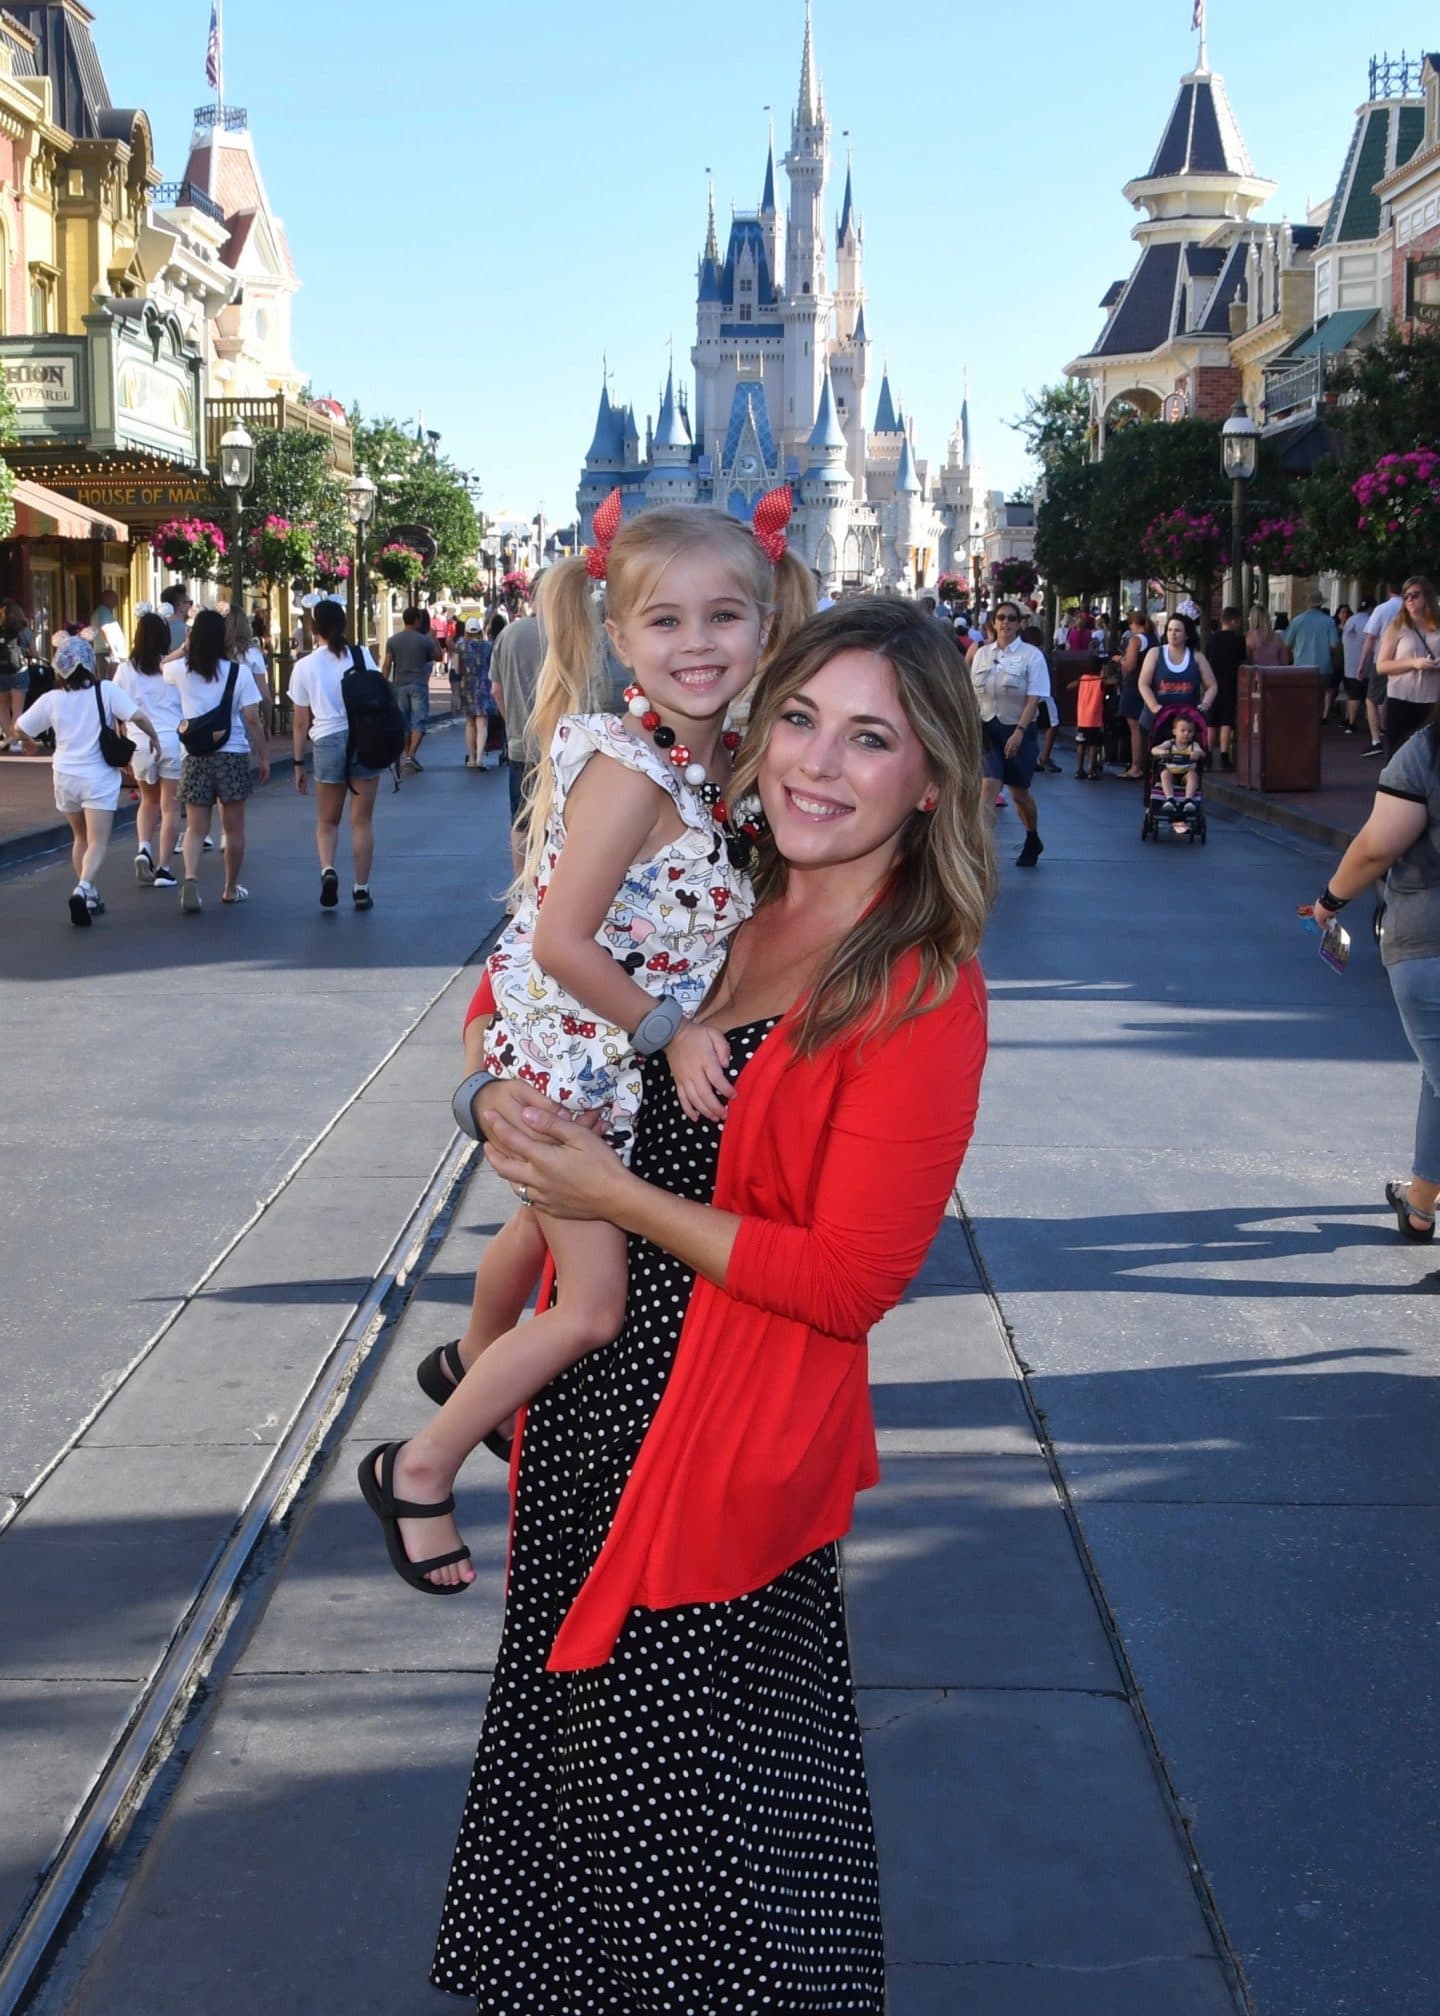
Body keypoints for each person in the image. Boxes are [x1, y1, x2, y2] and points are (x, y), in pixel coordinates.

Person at [423, 596, 992, 2010]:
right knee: (584, 1810)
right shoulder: (719, 879)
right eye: (798, 717)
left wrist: (617, 1203)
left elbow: (852, 1282)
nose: (815, 762)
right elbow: (518, 991)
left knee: (707, 1837)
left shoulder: (919, 985)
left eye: (872, 738)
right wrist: (486, 1090)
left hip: (723, 1458)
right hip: (591, 1427)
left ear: (931, 779)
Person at [359, 495, 814, 1594]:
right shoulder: (631, 771)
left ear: (765, 626)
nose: (696, 646)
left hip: (587, 1059)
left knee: (535, 1229)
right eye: (665, 624)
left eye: (722, 619)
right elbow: (560, 940)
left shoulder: (709, 763)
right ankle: (416, 1466)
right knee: (594, 1308)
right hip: (575, 1063)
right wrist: (674, 1031)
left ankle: (471, 1359)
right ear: (618, 639)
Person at [1312, 695, 1440, 1246]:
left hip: (1428, 940)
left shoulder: (1426, 753)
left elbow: (1375, 847)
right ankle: (1420, 1201)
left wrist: (1329, 902)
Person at [14, 635, 157, 926]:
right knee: (98, 841)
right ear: (90, 664)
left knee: (80, 838)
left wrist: (29, 742)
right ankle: (82, 888)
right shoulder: (104, 691)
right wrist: (154, 737)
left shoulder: (51, 699)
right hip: (98, 777)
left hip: (65, 776)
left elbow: (19, 727)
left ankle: (90, 894)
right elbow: (137, 716)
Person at [166, 607, 269, 913]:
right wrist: (262, 756)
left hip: (195, 755)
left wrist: (184, 647)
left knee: (196, 828)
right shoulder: (239, 673)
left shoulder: (182, 671)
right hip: (232, 753)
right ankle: (229, 888)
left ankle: (190, 878)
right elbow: (252, 719)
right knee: (234, 828)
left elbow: (161, 665)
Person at [290, 597, 384, 911]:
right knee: (362, 821)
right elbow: (380, 695)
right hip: (365, 739)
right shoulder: (361, 656)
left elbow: (301, 720)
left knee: (328, 821)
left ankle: (328, 869)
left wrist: (298, 762)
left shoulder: (304, 666)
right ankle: (361, 888)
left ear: (313, 627)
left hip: (327, 740)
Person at [970, 599, 1050, 864]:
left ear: (1019, 624)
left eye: (1011, 619)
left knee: (1019, 795)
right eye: (1001, 618)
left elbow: (1034, 697)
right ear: (993, 622)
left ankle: (1032, 836)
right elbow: (973, 693)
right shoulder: (983, 654)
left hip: (1018, 729)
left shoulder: (1031, 655)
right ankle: (979, 851)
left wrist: (1019, 731)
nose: (1005, 623)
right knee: (988, 787)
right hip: (988, 729)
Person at [115, 611, 183, 887]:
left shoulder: (125, 669)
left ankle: (144, 848)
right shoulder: (173, 667)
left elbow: (118, 708)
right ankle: (164, 868)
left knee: (148, 801)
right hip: (173, 740)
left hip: (140, 741)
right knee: (170, 808)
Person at [490, 572, 548, 875]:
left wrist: (513, 720)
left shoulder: (508, 634)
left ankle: (521, 890)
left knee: (522, 821)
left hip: (520, 744)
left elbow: (496, 690)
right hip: (562, 745)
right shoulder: (566, 633)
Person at [1374, 576, 1440, 759]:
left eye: (1415, 595)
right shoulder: (1397, 627)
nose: (1410, 600)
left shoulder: (1437, 627)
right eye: (1406, 596)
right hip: (1402, 699)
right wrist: (1413, 663)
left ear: (1427, 596)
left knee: (1431, 756)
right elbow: (1382, 666)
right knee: (1398, 755)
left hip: (1432, 700)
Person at [382, 606, 442, 773]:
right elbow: (439, 656)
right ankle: (411, 755)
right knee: (419, 720)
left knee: (404, 722)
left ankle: (406, 754)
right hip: (418, 684)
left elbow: (387, 665)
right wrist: (433, 638)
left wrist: (382, 684)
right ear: (417, 620)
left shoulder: (393, 640)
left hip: (399, 684)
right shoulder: (424, 640)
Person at [1138, 613, 1217, 732]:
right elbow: (1143, 684)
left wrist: (1205, 704)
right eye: (1169, 629)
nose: (1172, 633)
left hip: (1186, 725)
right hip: (1156, 723)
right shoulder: (1155, 653)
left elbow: (1212, 685)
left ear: (1187, 635)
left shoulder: (1197, 657)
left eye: (1177, 630)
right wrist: (1154, 707)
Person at [1359, 581, 1404, 757]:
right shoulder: (1410, 609)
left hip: (1383, 660)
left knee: (1372, 699)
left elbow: (1370, 638)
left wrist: (1362, 664)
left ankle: (1376, 740)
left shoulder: (1382, 609)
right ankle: (1393, 733)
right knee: (1395, 698)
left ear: (1388, 590)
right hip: (1406, 660)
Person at [1286, 592, 1342, 721]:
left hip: (1301, 666)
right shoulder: (1329, 622)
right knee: (1320, 697)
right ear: (1321, 604)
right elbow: (1334, 644)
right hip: (1323, 667)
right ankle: (1317, 720)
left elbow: (1287, 643)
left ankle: (1304, 721)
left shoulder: (1297, 620)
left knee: (1302, 696)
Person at [1205, 605, 1246, 769]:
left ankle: (1207, 756)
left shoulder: (1212, 639)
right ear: (1234, 620)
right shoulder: (1237, 640)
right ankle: (1224, 755)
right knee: (1226, 720)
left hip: (1212, 683)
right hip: (1230, 683)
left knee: (1211, 721)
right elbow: (1242, 661)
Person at [1115, 610, 1153, 777]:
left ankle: (1136, 766)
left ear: (1134, 624)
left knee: (1135, 727)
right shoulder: (1154, 640)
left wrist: (1119, 659)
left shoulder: (1136, 640)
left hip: (1134, 684)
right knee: (1147, 726)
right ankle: (1146, 763)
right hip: (1151, 685)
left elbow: (1130, 665)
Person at [1150, 712, 1203, 833]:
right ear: (1175, 732)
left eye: (1190, 731)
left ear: (1193, 733)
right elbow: (1154, 750)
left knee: (1192, 775)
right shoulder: (1170, 744)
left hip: (1185, 774)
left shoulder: (1194, 745)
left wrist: (1197, 754)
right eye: (1182, 730)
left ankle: (1188, 800)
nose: (1186, 734)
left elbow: (1201, 753)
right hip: (1172, 773)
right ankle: (1170, 799)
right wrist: (1161, 752)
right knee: (1164, 773)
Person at [226, 607, 271, 738]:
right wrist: (267, 724)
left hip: (218, 714)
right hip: (245, 712)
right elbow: (265, 696)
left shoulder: (218, 652)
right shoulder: (253, 654)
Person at [0, 598, 35, 750]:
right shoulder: (24, 630)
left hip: (1, 672)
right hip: (19, 671)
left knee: (2, 707)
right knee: (17, 708)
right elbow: (34, 653)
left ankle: (8, 738)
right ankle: (14, 741)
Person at [1068, 650, 1107, 779]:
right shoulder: (1100, 681)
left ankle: (1079, 769)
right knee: (1093, 745)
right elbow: (1114, 681)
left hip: (1082, 718)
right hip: (1094, 719)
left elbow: (1070, 686)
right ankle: (1092, 770)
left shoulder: (1083, 679)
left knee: (1081, 743)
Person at [1340, 599, 1372, 737]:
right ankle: (1357, 722)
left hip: (1349, 664)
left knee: (1351, 695)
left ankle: (1349, 721)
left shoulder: (1350, 620)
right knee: (1366, 697)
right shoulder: (1370, 621)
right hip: (1365, 664)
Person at [159, 584, 192, 653]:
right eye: (190, 603)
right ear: (180, 605)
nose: (190, 606)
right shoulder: (190, 632)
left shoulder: (155, 629)